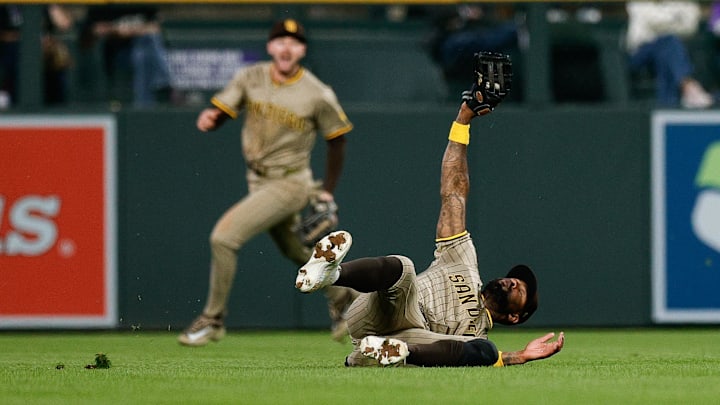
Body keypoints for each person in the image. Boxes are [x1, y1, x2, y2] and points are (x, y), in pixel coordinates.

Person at [295, 52, 564, 367]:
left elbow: (480, 352)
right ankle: (329, 274)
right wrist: (463, 119)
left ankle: (373, 355)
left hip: (412, 339)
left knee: (486, 353)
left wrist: (518, 356)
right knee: (404, 267)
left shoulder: (476, 334)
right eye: (515, 279)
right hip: (380, 312)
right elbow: (454, 192)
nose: (513, 282)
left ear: (516, 316)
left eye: (522, 290)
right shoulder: (463, 261)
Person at [177, 19, 356, 347]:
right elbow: (224, 109)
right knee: (295, 249)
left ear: (302, 50)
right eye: (280, 40)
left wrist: (327, 188)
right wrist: (212, 119)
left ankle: (212, 320)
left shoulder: (317, 93)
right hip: (258, 180)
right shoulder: (251, 76)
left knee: (223, 238)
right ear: (271, 47)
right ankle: (345, 299)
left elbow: (338, 139)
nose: (287, 47)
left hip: (291, 183)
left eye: (294, 42)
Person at [625, 1, 714, 108]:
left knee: (667, 49)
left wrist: (666, 23)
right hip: (640, 53)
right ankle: (688, 86)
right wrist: (676, 18)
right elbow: (653, 21)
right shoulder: (639, 3)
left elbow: (690, 26)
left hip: (671, 53)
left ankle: (667, 105)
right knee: (669, 41)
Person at [79, 4, 172, 107]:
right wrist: (117, 30)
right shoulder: (103, 4)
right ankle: (163, 81)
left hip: (141, 51)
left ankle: (148, 100)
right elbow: (95, 29)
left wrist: (129, 31)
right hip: (115, 54)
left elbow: (155, 28)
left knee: (146, 45)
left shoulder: (142, 4)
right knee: (143, 51)